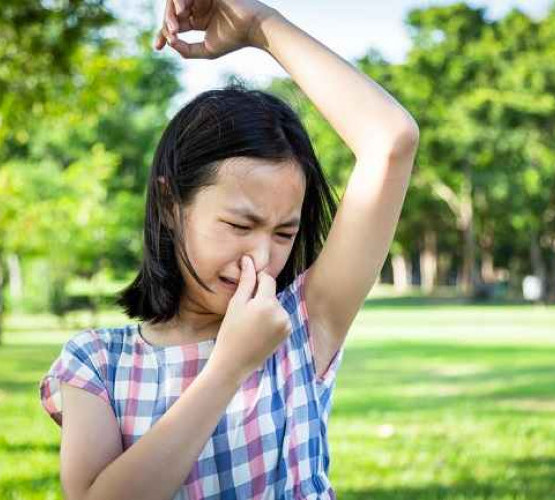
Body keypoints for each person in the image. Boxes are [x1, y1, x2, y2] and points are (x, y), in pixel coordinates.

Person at [38, 1, 419, 499]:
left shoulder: (306, 321)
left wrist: (260, 25)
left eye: (284, 233)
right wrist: (228, 367)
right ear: (172, 203)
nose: (261, 259)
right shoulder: (97, 363)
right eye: (241, 224)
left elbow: (391, 139)